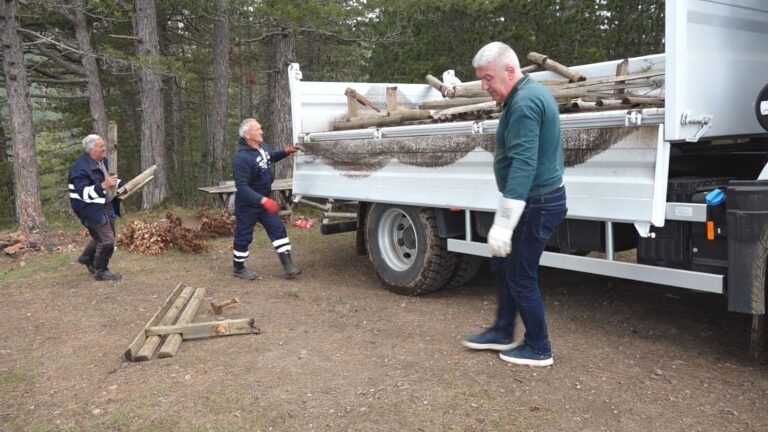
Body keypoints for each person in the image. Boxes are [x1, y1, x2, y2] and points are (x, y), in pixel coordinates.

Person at [461, 42, 567, 367]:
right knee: (502, 265)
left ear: (509, 71)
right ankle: (502, 330)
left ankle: (539, 347)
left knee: (520, 276)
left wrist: (504, 223)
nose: (484, 86)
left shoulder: (524, 103)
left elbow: (524, 164)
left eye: (488, 78)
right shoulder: (525, 94)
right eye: (481, 79)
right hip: (532, 200)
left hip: (536, 203)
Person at [231, 118, 303, 280]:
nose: (261, 131)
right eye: (258, 129)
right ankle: (238, 268)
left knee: (278, 228)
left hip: (265, 201)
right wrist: (262, 200)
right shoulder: (241, 159)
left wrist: (286, 152)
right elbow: (242, 187)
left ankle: (288, 266)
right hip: (248, 205)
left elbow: (270, 157)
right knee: (244, 236)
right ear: (248, 135)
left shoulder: (262, 147)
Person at [68, 134, 122, 281]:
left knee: (102, 236)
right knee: (107, 241)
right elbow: (82, 193)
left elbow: (111, 178)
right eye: (101, 147)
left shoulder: (102, 161)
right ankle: (101, 271)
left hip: (105, 204)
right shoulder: (79, 169)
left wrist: (122, 185)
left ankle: (86, 258)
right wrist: (104, 185)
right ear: (92, 150)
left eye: (104, 145)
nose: (105, 149)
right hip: (89, 209)